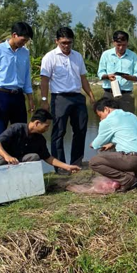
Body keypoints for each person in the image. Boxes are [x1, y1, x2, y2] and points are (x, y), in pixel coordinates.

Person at [39, 27, 96, 173]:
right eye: (63, 42)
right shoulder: (50, 57)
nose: (66, 46)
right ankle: (60, 167)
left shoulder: (77, 56)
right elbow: (44, 80)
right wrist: (44, 100)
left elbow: (83, 78)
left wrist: (90, 94)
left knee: (80, 130)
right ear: (56, 41)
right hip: (60, 98)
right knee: (59, 132)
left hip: (77, 97)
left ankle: (76, 163)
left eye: (69, 42)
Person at [0, 108, 81, 174]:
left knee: (34, 157)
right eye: (46, 126)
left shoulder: (39, 139)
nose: (47, 129)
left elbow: (48, 157)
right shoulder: (16, 128)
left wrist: (67, 166)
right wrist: (7, 156)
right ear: (37, 123)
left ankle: (22, 181)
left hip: (16, 159)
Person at [89, 98, 137, 191]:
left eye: (100, 115)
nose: (100, 118)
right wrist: (112, 144)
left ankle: (128, 180)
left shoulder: (108, 120)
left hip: (134, 159)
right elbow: (130, 135)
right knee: (129, 152)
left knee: (94, 162)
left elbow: (98, 142)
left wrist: (92, 144)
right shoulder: (131, 115)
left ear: (106, 109)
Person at [0, 22, 34, 140]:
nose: (24, 43)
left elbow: (27, 76)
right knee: (0, 133)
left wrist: (30, 98)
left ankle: (20, 157)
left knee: (21, 132)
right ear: (14, 35)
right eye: (23, 40)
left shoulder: (25, 52)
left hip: (19, 96)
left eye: (26, 41)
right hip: (2, 96)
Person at [97, 31, 137, 113]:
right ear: (114, 43)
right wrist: (107, 76)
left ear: (127, 43)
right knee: (109, 120)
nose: (121, 48)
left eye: (124, 45)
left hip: (126, 95)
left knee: (127, 122)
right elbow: (100, 72)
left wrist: (130, 77)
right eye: (118, 45)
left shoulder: (133, 56)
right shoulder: (106, 55)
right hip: (109, 94)